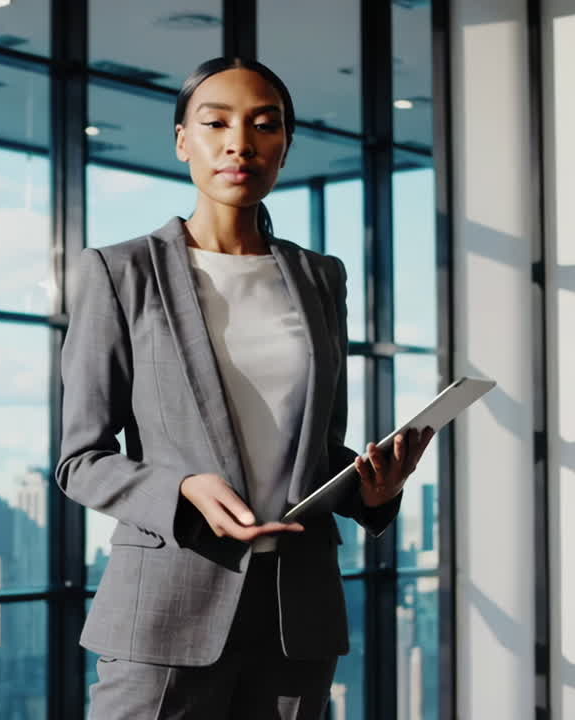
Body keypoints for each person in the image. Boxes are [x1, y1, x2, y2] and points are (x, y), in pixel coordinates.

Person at [56, 57, 435, 719]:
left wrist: (371, 491)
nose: (240, 142)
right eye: (217, 123)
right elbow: (80, 460)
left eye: (265, 125)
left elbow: (317, 450)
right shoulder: (119, 272)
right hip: (167, 610)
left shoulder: (320, 277)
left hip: (298, 611)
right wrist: (179, 489)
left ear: (285, 146)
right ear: (183, 141)